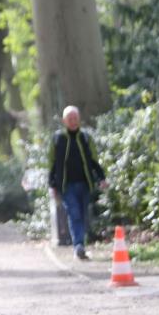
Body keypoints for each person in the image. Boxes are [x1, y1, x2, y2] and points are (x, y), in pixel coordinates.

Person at [48, 105, 108, 260]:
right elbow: (52, 163)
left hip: (85, 183)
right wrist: (52, 184)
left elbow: (94, 160)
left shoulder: (86, 138)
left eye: (75, 118)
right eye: (70, 119)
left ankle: (80, 243)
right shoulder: (58, 139)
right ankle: (78, 246)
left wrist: (101, 178)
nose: (73, 121)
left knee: (82, 214)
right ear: (64, 121)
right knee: (74, 213)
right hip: (65, 185)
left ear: (79, 119)